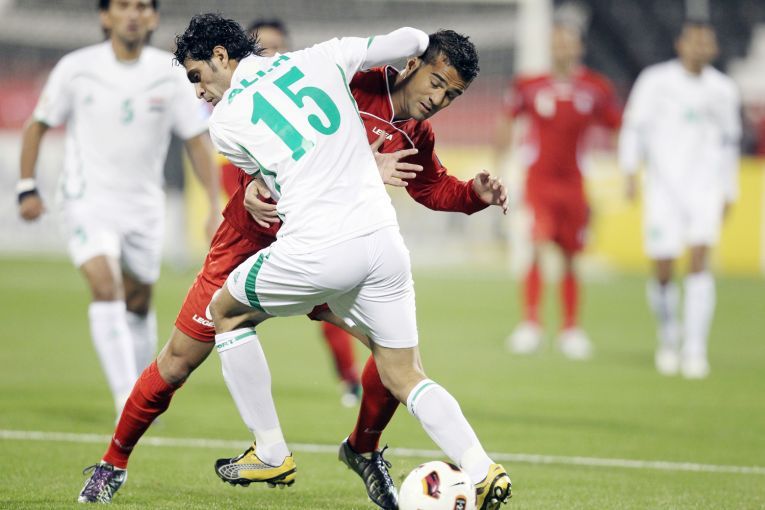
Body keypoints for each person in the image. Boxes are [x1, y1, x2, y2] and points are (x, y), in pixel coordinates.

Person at [76, 19, 508, 510]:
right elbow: (265, 170)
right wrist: (260, 191)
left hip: (323, 243)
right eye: (437, 83)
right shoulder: (345, 79)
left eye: (451, 94)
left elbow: (429, 186)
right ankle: (113, 462)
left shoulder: (414, 132)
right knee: (177, 360)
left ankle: (356, 450)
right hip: (258, 241)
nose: (438, 98)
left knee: (395, 362)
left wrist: (472, 196)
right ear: (412, 64)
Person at [17, 0, 219, 421]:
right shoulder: (77, 68)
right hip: (86, 200)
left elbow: (196, 139)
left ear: (154, 17)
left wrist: (214, 204)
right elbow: (38, 124)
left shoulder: (169, 73)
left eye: (142, 6)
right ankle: (126, 399)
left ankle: (143, 388)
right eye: (122, 6)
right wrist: (26, 186)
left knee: (138, 300)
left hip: (143, 206)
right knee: (105, 285)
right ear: (105, 16)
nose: (132, 14)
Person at [619, 20, 741, 379]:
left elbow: (730, 143)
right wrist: (630, 171)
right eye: (694, 41)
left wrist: (729, 189)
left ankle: (695, 348)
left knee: (700, 261)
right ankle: (668, 336)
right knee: (663, 269)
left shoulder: (723, 89)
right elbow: (633, 127)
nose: (700, 48)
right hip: (663, 189)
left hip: (704, 189)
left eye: (706, 42)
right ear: (680, 44)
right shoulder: (655, 81)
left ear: (714, 49)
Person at [494, 20, 621, 359]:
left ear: (579, 47)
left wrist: (621, 167)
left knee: (571, 256)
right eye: (557, 42)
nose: (562, 48)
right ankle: (530, 325)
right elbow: (507, 118)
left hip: (574, 184)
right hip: (539, 182)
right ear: (550, 47)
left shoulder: (596, 87)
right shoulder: (529, 85)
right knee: (536, 246)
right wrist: (499, 162)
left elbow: (615, 125)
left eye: (568, 42)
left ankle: (570, 330)